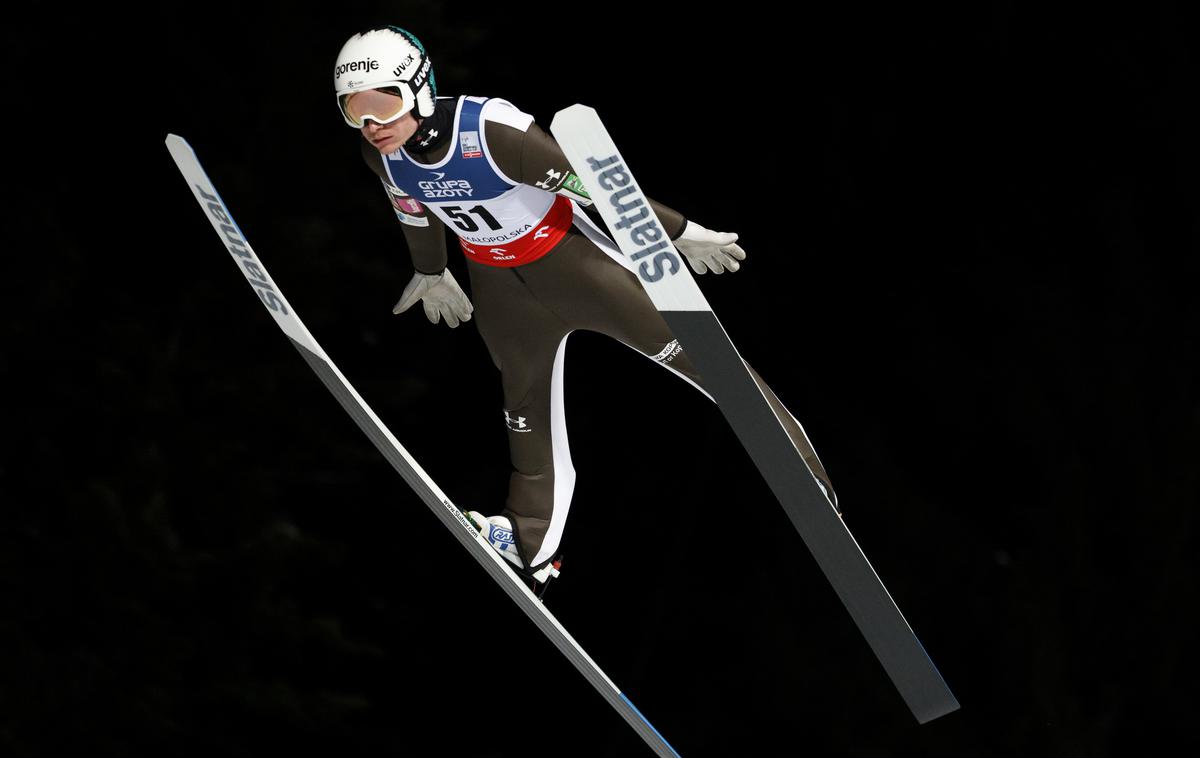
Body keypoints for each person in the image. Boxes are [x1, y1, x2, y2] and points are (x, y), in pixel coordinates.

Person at [333, 26, 838, 587]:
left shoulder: (492, 131)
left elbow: (596, 186)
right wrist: (431, 269)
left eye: (383, 102)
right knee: (522, 407)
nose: (371, 122)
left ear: (421, 90)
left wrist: (680, 231)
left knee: (706, 361)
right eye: (354, 109)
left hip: (575, 266)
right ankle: (530, 541)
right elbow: (412, 207)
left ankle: (806, 478)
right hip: (500, 288)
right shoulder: (381, 155)